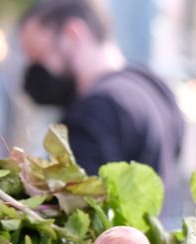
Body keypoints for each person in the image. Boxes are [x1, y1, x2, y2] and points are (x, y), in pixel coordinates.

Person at [18, 0, 185, 209]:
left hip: (107, 240)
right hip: (139, 238)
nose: (35, 69)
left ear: (72, 35)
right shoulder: (153, 89)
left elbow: (72, 210)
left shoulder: (97, 108)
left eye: (38, 55)